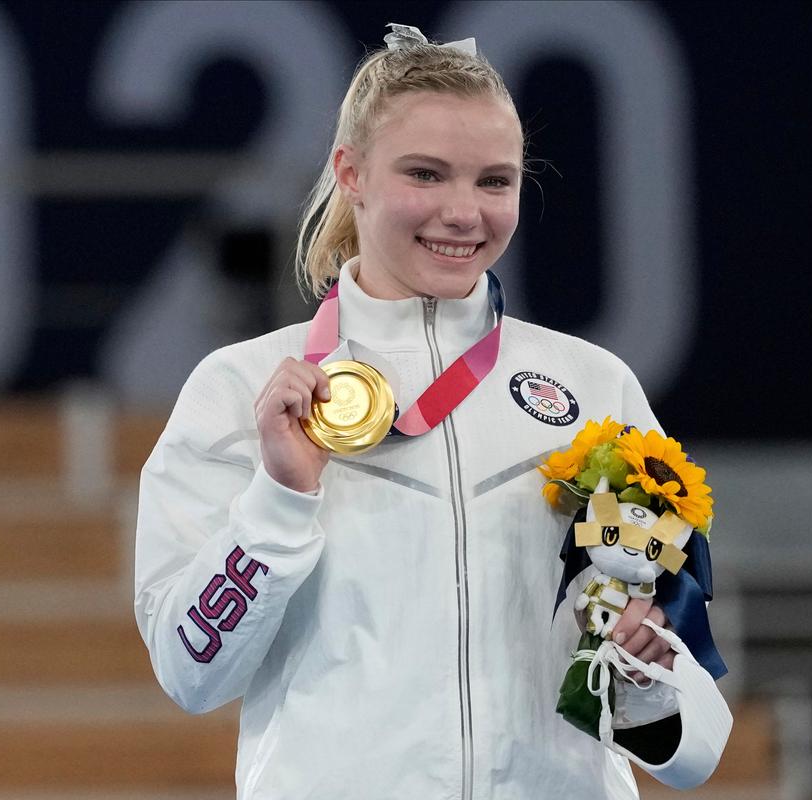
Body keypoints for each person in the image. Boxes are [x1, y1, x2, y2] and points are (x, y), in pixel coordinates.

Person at [134, 24, 728, 800]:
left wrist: (643, 678)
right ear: (351, 172)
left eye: (494, 181)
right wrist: (280, 500)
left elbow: (689, 742)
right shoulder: (239, 389)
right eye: (426, 174)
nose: (462, 212)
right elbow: (190, 671)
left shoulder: (590, 386)